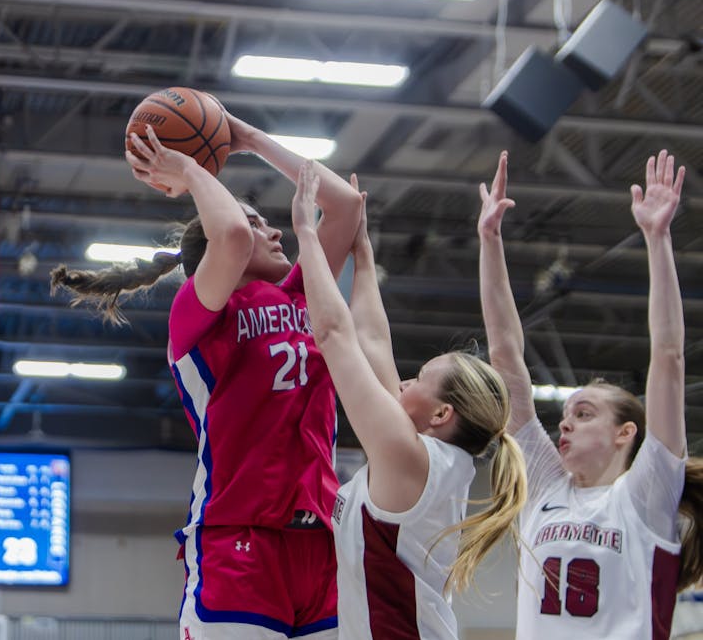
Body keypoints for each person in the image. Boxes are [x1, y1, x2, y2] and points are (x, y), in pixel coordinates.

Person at [51, 113, 363, 638]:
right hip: (240, 542)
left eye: (267, 221)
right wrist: (194, 170)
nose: (273, 229)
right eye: (259, 221)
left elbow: (348, 208)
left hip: (320, 542)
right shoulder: (196, 312)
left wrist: (249, 138)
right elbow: (235, 235)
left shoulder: (301, 293)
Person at [290, 161, 527, 639]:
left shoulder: (408, 454)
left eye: (418, 379)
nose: (401, 384)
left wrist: (306, 236)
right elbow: (373, 342)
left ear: (441, 414)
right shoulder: (424, 457)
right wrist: (360, 249)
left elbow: (334, 335)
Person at [477, 149, 703, 638]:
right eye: (567, 414)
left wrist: (658, 238)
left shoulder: (646, 493)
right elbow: (504, 356)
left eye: (583, 413)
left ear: (626, 433)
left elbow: (668, 355)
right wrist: (489, 241)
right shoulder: (545, 490)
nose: (565, 423)